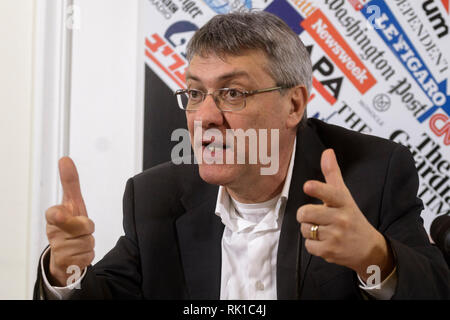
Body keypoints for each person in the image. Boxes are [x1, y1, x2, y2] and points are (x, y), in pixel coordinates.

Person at [34, 11, 449, 300]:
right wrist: (64, 275)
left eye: (233, 93)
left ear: (294, 105)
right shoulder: (155, 197)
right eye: (195, 94)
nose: (205, 118)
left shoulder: (372, 176)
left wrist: (376, 259)